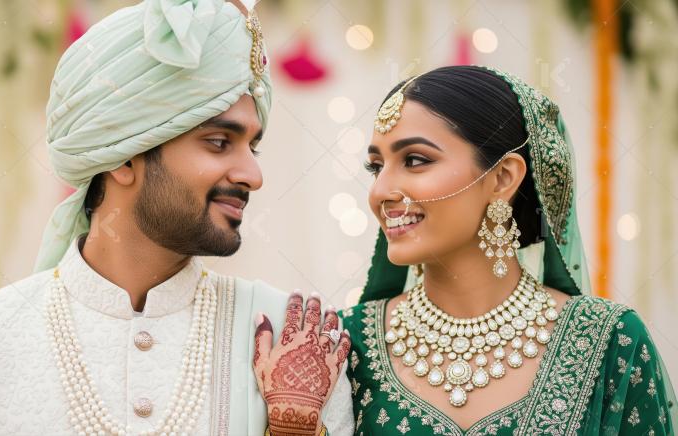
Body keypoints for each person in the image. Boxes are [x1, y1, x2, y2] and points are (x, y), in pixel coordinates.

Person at [0, 1, 353, 435]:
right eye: (218, 142)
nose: (253, 175)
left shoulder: (294, 337)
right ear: (122, 156)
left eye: (252, 146)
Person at [260, 65, 677, 435]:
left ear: (502, 178)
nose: (381, 191)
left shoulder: (607, 340)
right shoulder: (343, 346)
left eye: (416, 160)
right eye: (376, 166)